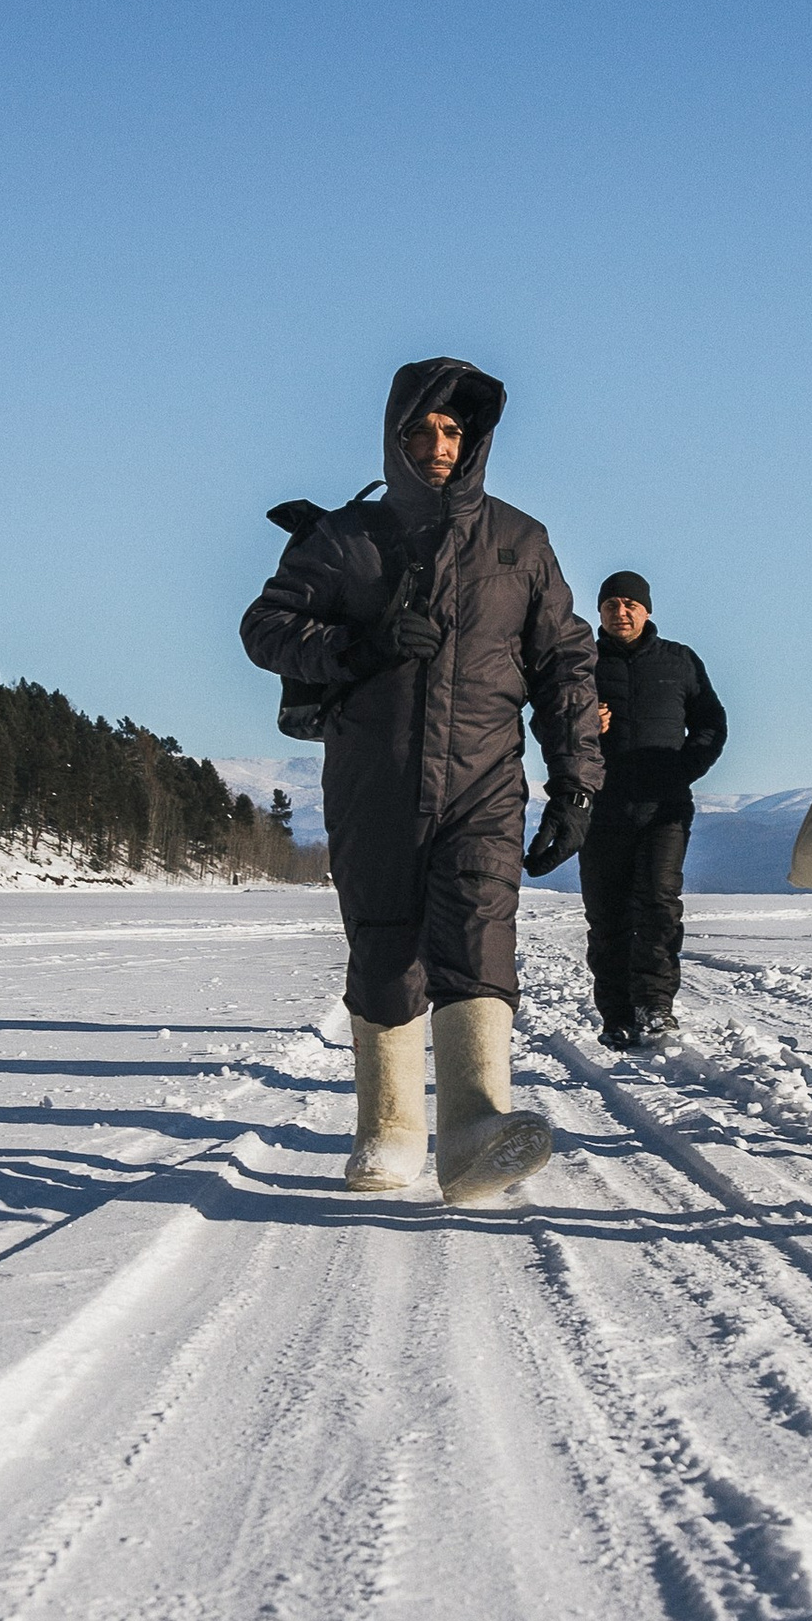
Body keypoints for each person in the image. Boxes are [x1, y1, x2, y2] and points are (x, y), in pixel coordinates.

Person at [240, 355, 601, 1203]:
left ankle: (475, 1129)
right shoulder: (347, 539)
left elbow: (566, 665)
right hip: (375, 779)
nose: (440, 443)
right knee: (384, 946)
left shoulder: (521, 541)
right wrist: (355, 648)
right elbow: (265, 626)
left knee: (479, 938)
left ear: (473, 439)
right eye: (424, 429)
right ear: (397, 436)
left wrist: (577, 780)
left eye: (454, 429)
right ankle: (390, 1129)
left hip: (484, 782)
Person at [581, 572, 726, 1046]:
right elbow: (550, 720)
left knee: (660, 906)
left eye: (629, 604)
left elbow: (711, 724)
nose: (620, 612)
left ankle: (656, 1006)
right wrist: (582, 724)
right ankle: (617, 1016)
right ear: (599, 612)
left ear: (646, 610)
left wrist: (682, 771)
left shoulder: (679, 661)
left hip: (665, 808)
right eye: (610, 605)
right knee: (608, 917)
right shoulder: (582, 662)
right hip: (601, 809)